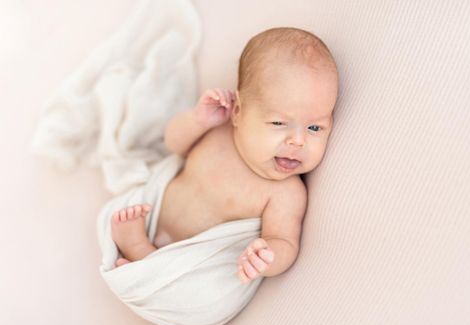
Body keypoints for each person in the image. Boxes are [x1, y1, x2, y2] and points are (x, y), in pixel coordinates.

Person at [110, 27, 339, 284]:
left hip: (194, 265)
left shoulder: (285, 192)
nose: (298, 141)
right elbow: (174, 144)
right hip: (153, 215)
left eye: (314, 128)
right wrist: (198, 121)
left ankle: (141, 252)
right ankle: (142, 253)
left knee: (206, 288)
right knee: (121, 207)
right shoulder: (218, 131)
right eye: (278, 123)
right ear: (239, 111)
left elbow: (285, 241)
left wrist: (267, 257)